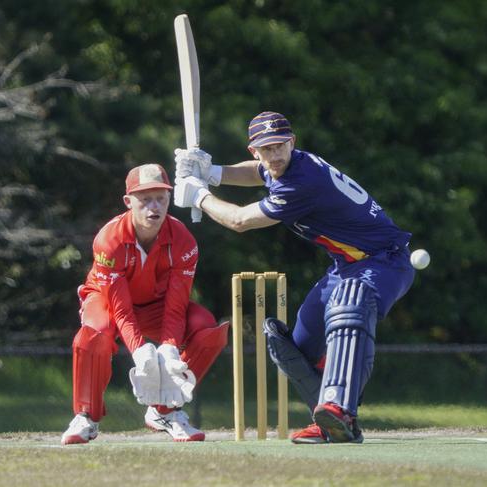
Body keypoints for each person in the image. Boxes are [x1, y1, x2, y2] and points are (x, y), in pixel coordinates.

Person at [173, 111, 415, 444]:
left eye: (279, 146)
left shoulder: (301, 183)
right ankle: (333, 421)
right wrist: (212, 173)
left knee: (349, 307)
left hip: (383, 262)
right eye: (265, 148)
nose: (273, 154)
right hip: (344, 265)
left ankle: (340, 409)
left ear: (292, 142)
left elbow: (240, 220)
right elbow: (258, 173)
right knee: (296, 349)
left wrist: (199, 195)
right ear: (254, 150)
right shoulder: (287, 165)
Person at [61, 163, 229, 444]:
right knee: (94, 334)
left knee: (206, 328)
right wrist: (140, 351)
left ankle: (165, 411)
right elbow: (120, 307)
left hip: (156, 305)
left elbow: (176, 305)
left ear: (169, 200)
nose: (154, 207)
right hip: (106, 301)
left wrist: (169, 349)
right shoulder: (109, 240)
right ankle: (86, 417)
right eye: (145, 199)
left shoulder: (184, 241)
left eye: (161, 199)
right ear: (128, 202)